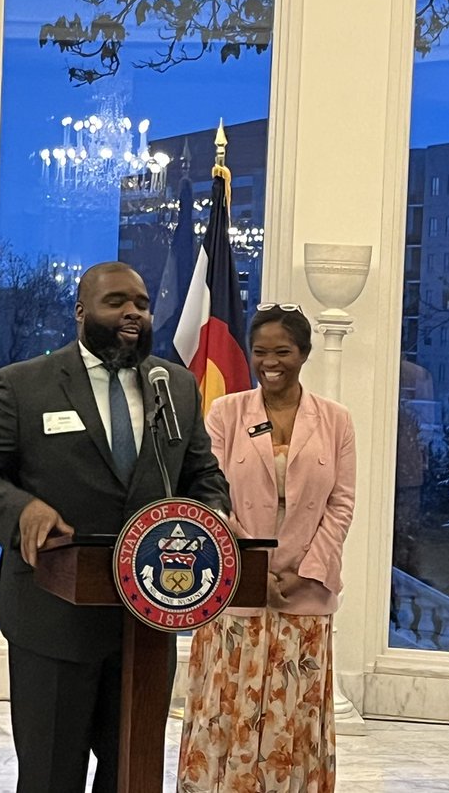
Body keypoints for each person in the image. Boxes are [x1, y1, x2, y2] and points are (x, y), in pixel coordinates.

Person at [0, 260, 230, 793]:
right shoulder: (27, 385)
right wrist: (21, 509)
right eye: (116, 302)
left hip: (147, 621)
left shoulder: (177, 386)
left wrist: (211, 518)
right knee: (52, 775)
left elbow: (203, 475)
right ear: (80, 312)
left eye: (141, 304)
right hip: (53, 617)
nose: (132, 314)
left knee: (132, 775)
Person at [177, 302, 356, 793]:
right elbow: (206, 491)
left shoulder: (336, 420)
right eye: (260, 352)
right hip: (234, 588)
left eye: (282, 352)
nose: (269, 362)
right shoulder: (225, 412)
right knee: (226, 710)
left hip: (306, 592)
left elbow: (341, 505)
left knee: (291, 718)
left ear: (304, 354)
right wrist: (253, 570)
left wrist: (301, 573)